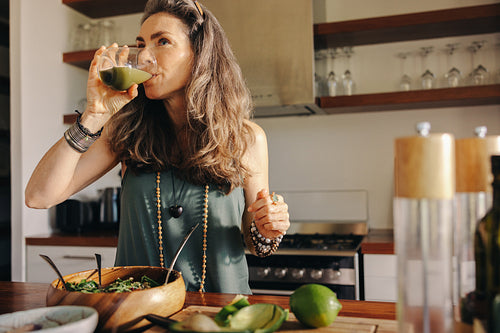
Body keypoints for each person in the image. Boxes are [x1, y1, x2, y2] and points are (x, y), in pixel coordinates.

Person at [25, 0, 290, 294]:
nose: (144, 57)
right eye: (141, 44)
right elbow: (38, 196)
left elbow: (257, 244)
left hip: (222, 314)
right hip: (136, 314)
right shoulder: (124, 131)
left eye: (162, 41)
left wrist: (268, 228)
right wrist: (92, 117)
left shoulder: (247, 139)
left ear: (199, 54)